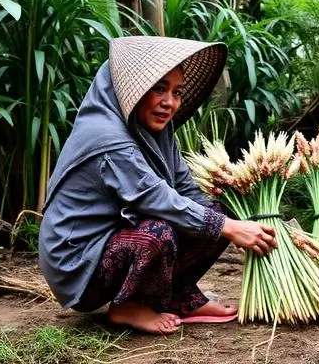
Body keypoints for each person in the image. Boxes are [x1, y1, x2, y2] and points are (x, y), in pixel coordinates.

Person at [39, 36, 278, 335]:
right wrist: (228, 228)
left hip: (118, 239)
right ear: (132, 90)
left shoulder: (158, 132)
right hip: (79, 262)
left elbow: (184, 189)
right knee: (159, 232)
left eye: (177, 92)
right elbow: (154, 196)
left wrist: (235, 222)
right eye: (159, 89)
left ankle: (180, 298)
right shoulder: (105, 136)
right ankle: (127, 306)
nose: (170, 103)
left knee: (214, 213)